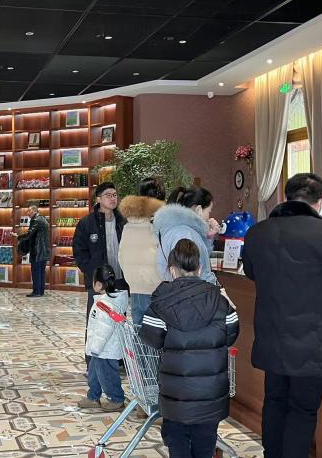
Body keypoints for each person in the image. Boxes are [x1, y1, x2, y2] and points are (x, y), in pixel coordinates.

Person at [240, 173, 322, 458]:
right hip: (313, 339)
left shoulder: (258, 232)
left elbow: (250, 271)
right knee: (303, 408)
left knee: (275, 400)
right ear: (319, 201)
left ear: (286, 197)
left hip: (272, 333)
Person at [140, 239, 239, 458]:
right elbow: (231, 334)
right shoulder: (219, 300)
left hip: (175, 393)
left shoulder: (161, 303)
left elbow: (151, 338)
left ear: (172, 270)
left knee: (177, 440)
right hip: (210, 392)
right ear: (200, 268)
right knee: (205, 442)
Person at [78, 264, 129, 412]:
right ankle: (93, 396)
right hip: (100, 349)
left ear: (99, 284)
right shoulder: (107, 301)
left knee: (107, 375)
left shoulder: (104, 305)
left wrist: (95, 348)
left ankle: (117, 399)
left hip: (105, 350)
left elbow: (104, 330)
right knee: (94, 373)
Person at [74, 182, 126, 323]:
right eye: (108, 195)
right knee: (96, 321)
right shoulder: (87, 223)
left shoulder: (123, 221)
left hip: (120, 280)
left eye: (114, 195)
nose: (113, 198)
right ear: (98, 199)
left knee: (119, 320)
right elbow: (79, 252)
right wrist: (93, 273)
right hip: (99, 282)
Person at [118, 177, 166, 328]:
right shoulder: (161, 224)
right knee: (160, 335)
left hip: (136, 288)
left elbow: (121, 257)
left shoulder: (128, 224)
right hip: (160, 288)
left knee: (140, 333)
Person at [153, 186, 221, 286]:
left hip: (179, 291)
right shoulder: (185, 234)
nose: (209, 216)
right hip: (195, 292)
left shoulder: (174, 229)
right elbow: (191, 270)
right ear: (199, 210)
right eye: (209, 211)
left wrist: (208, 236)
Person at [19, 204, 50, 297]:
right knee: (41, 272)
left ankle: (36, 292)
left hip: (37, 250)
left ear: (35, 211)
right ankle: (40, 291)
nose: (28, 213)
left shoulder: (35, 220)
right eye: (27, 211)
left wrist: (19, 237)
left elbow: (29, 234)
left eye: (30, 211)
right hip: (44, 250)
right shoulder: (43, 219)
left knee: (36, 271)